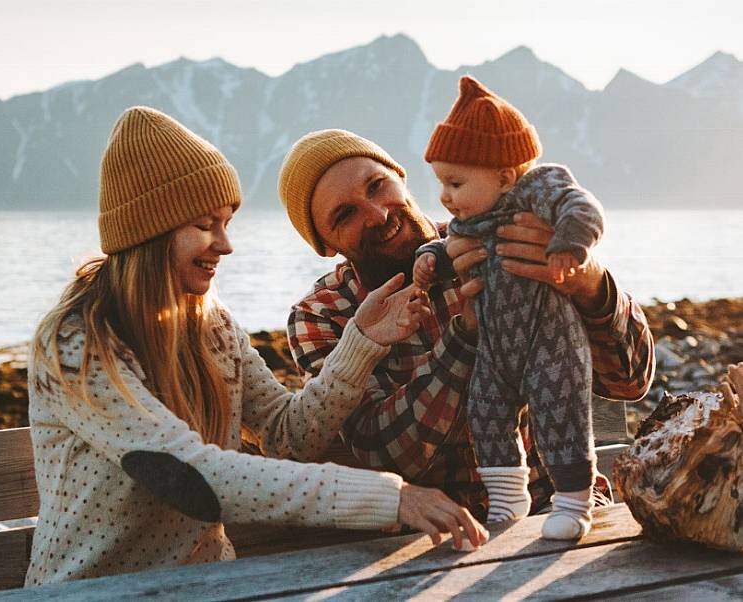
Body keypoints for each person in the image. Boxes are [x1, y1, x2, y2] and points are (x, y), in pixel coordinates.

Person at [26, 106, 487, 585]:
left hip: (212, 585)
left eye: (226, 222)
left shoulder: (211, 325)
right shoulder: (77, 343)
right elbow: (187, 473)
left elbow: (289, 435)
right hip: (94, 593)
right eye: (206, 225)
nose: (225, 245)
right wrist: (391, 496)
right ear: (151, 231)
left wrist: (362, 341)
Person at [277, 124, 654, 528]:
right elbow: (382, 451)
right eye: (345, 214)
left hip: (560, 509)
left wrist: (589, 283)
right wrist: (466, 337)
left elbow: (630, 382)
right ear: (324, 244)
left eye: (376, 186)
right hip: (430, 539)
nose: (379, 214)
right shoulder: (322, 315)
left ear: (400, 178)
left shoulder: (502, 233)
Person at [412, 75, 605, 540]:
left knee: (561, 413)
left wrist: (570, 246)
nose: (444, 196)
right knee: (486, 411)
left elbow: (582, 207)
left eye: (455, 182)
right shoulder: (470, 222)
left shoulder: (535, 191)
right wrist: (428, 259)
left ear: (503, 176)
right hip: (497, 350)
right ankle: (507, 496)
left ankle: (574, 503)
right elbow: (447, 247)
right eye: (441, 183)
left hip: (549, 341)